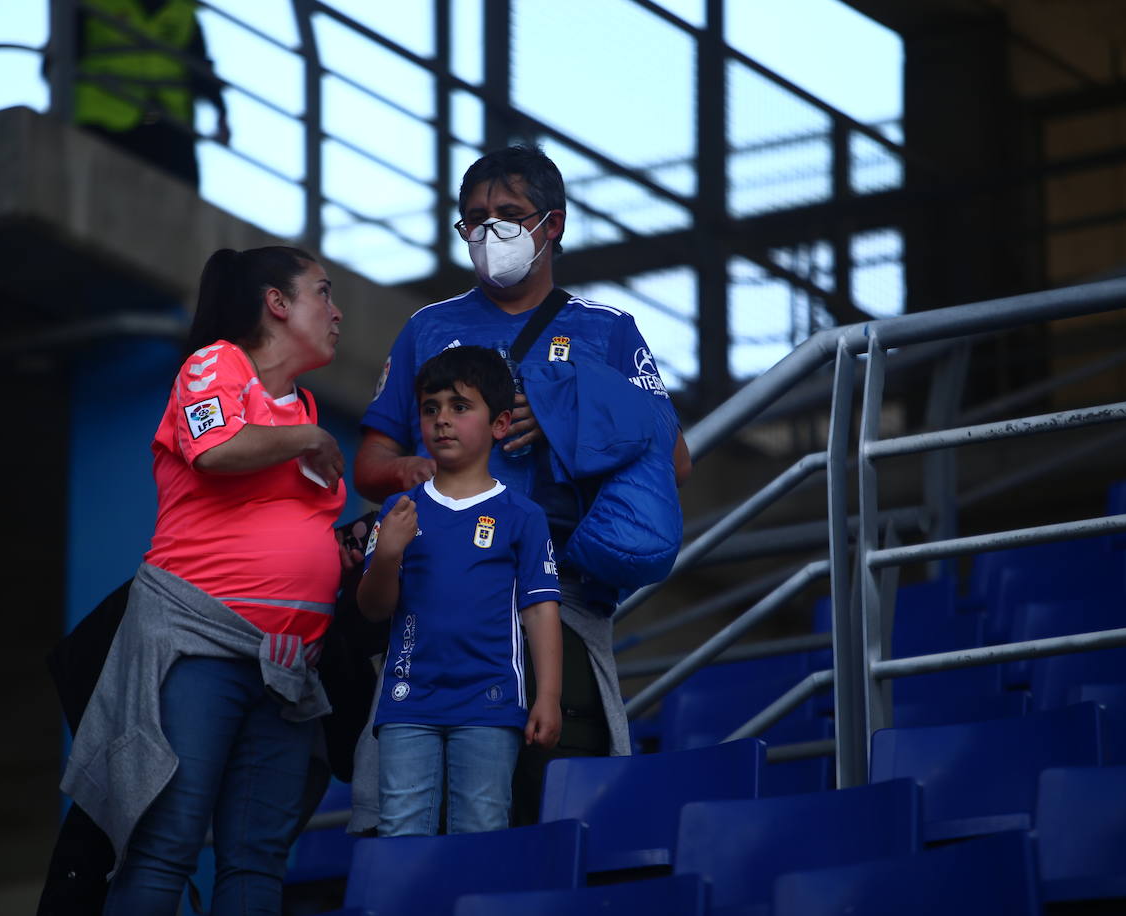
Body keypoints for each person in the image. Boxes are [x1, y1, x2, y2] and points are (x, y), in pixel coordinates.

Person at [354, 144, 691, 826]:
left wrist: (572, 413)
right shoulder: (430, 326)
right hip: (436, 594)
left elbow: (674, 456)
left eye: (509, 215)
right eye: (474, 218)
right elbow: (370, 463)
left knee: (555, 810)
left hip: (560, 593)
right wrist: (413, 470)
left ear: (554, 226)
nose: (490, 232)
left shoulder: (607, 330)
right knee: (417, 822)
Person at [59, 246, 360, 916]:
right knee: (166, 845)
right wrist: (308, 438)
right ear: (277, 304)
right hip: (200, 646)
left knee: (257, 862)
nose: (337, 312)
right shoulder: (216, 364)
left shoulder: (301, 402)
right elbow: (216, 449)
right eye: (322, 292)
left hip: (286, 665)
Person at [358, 345, 562, 836]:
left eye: (460, 406)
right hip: (408, 702)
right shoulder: (399, 510)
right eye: (431, 409)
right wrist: (388, 555)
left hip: (489, 703)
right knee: (400, 834)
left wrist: (549, 696)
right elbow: (372, 609)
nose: (442, 420)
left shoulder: (523, 515)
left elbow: (540, 610)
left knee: (482, 832)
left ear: (500, 424)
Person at [71, 0, 230, 187]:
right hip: (104, 119)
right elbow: (59, 58)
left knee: (181, 203)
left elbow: (199, 67)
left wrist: (221, 112)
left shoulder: (182, 10)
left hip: (170, 125)